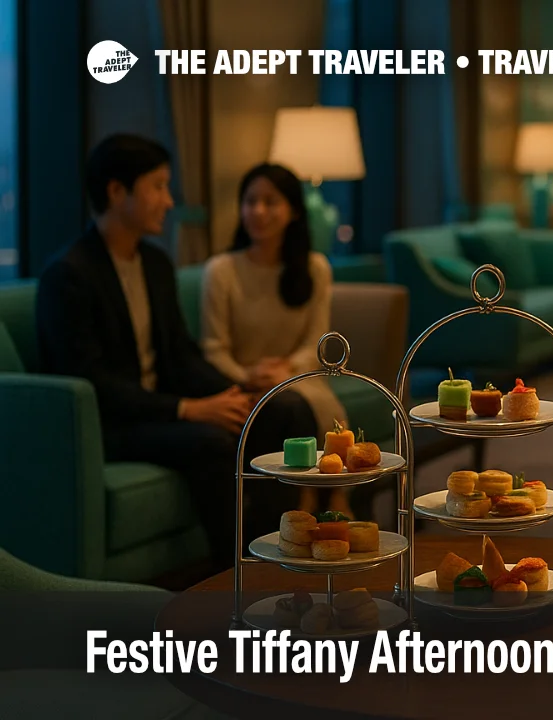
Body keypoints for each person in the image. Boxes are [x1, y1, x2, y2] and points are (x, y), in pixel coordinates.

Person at [36, 135, 317, 571]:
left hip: (162, 408)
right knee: (212, 440)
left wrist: (233, 393)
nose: (168, 202)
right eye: (158, 187)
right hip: (113, 425)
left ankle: (280, 555)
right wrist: (187, 409)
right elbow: (94, 384)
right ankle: (237, 572)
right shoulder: (69, 276)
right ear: (116, 192)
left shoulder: (154, 263)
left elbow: (181, 357)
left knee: (284, 410)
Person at [201, 163, 349, 516]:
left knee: (319, 404)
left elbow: (317, 342)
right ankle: (308, 502)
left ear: (294, 211)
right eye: (250, 201)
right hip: (239, 381)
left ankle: (327, 496)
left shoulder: (314, 268)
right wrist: (246, 375)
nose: (258, 211)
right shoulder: (221, 271)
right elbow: (213, 348)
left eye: (270, 202)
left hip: (295, 377)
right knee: (299, 405)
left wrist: (286, 371)